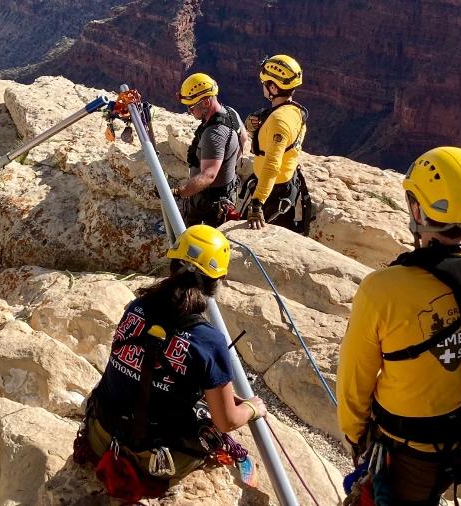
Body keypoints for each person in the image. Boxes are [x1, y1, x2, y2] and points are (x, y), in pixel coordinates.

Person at [336, 147, 461, 505]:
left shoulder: (382, 290)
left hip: (411, 456)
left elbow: (354, 383)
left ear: (417, 209)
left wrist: (356, 437)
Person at [73, 225, 267, 502]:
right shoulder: (208, 341)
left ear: (173, 265)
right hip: (153, 460)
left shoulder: (137, 307)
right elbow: (226, 422)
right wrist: (252, 408)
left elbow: (143, 367)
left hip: (101, 434)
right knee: (210, 429)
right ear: (218, 279)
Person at [242, 54, 315, 235]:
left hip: (273, 193)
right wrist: (254, 129)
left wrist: (257, 203)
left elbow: (272, 166)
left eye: (265, 83)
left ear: (273, 87)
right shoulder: (294, 111)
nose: (263, 87)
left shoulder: (278, 121)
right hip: (285, 184)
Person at [174, 73, 248, 227]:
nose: (189, 111)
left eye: (191, 106)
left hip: (208, 207)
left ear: (206, 102)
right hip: (226, 194)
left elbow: (208, 175)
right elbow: (244, 139)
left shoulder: (214, 133)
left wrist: (179, 192)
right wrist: (228, 165)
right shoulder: (230, 112)